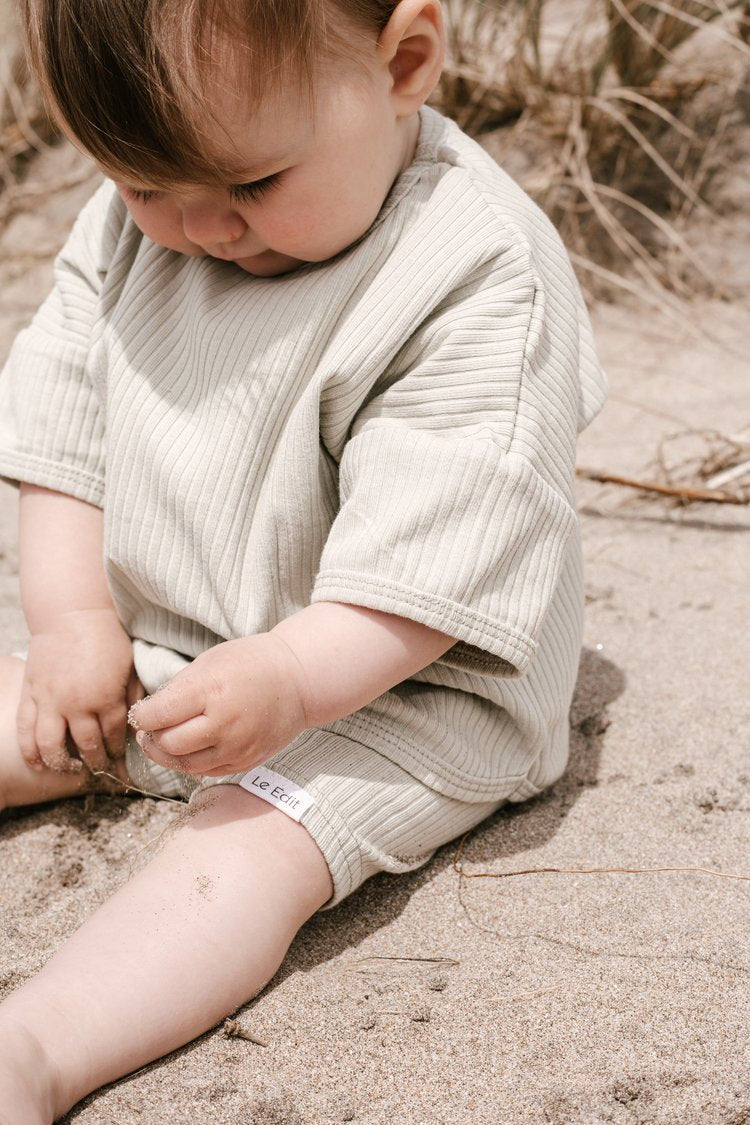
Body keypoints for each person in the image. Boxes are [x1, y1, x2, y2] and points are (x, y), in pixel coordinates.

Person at [0, 0, 606, 1116]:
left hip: (396, 688)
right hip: (171, 642)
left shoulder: (476, 277)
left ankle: (35, 1048)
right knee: (31, 711)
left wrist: (289, 678)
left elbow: (444, 562)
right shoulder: (162, 196)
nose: (196, 229)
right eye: (142, 187)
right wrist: (72, 620)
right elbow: (65, 419)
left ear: (404, 64)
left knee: (252, 846)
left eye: (252, 186)